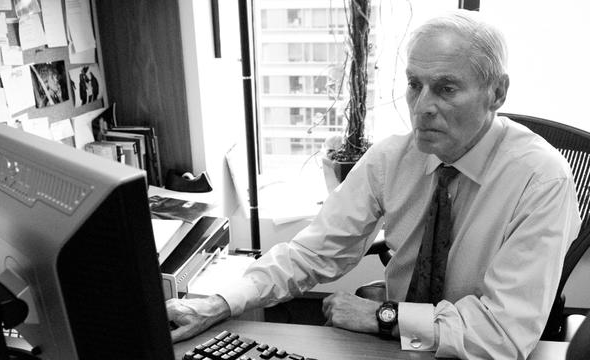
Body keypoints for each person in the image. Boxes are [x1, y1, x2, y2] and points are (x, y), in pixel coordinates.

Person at [166, 10, 581, 360]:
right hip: (397, 348)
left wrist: (384, 317)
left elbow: (502, 334)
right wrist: (219, 303)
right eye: (414, 85)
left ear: (497, 93)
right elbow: (311, 253)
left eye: (446, 89)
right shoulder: (394, 157)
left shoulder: (542, 181)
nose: (422, 107)